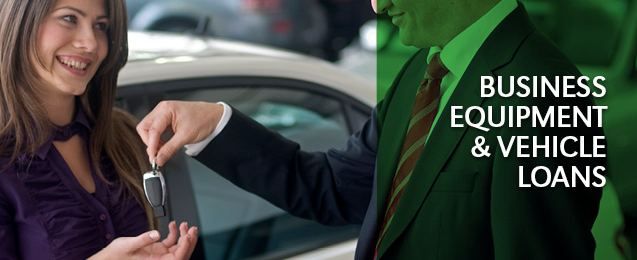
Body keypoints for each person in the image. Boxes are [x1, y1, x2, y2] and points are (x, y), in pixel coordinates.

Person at [137, 0, 605, 259]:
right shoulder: (423, 72)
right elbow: (335, 189)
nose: (378, 5)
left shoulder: (545, 92)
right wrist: (215, 126)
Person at [0, 0, 197, 259]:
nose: (91, 43)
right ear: (18, 24)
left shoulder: (124, 134)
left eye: (100, 26)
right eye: (69, 19)